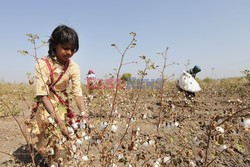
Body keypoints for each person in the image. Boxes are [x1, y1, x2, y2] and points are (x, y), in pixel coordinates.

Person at [31, 25, 88, 164]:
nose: (69, 52)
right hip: (46, 106)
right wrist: (58, 121)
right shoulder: (43, 64)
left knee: (59, 140)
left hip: (61, 105)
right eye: (65, 48)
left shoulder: (73, 67)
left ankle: (55, 161)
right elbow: (42, 95)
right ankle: (49, 161)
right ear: (55, 45)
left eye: (72, 49)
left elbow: (77, 92)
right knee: (47, 138)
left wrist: (83, 113)